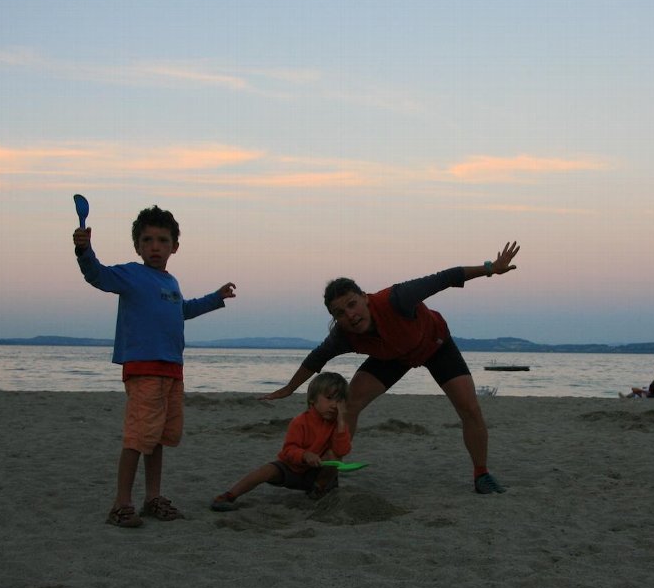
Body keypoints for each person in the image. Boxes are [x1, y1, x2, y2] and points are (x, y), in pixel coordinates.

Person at [261, 242, 521, 495]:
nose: (349, 315)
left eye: (352, 304)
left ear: (365, 298)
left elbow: (446, 277)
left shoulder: (397, 299)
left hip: (434, 344)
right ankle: (329, 473)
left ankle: (481, 474)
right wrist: (288, 388)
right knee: (349, 404)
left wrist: (491, 268)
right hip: (391, 357)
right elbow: (315, 359)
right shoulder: (343, 335)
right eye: (339, 313)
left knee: (470, 408)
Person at [74, 205, 236, 528]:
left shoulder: (171, 282)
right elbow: (98, 275)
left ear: (175, 246)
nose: (155, 246)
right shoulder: (132, 275)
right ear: (137, 246)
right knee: (137, 438)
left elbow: (183, 311)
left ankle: (152, 498)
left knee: (158, 438)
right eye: (147, 240)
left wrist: (215, 299)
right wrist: (83, 250)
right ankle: (121, 504)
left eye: (162, 240)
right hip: (143, 368)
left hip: (172, 371)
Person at [210, 372, 351, 511]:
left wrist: (342, 423)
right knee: (265, 471)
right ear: (313, 399)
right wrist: (304, 455)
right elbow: (289, 450)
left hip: (317, 474)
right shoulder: (300, 421)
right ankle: (229, 495)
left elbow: (342, 451)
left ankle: (318, 489)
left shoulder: (337, 425)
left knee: (334, 455)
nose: (334, 405)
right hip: (292, 467)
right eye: (329, 398)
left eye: (339, 401)